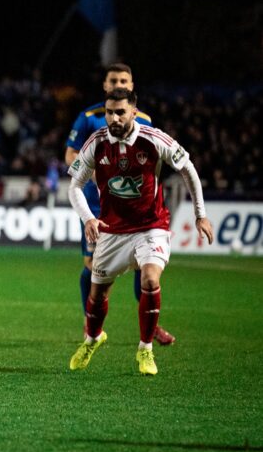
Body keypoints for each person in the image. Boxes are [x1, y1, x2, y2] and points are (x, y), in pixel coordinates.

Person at [67, 88, 214, 376]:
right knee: (97, 295)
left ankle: (145, 349)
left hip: (151, 226)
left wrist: (200, 215)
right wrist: (88, 219)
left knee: (149, 278)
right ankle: (93, 339)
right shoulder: (96, 142)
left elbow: (188, 169)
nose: (114, 117)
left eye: (120, 112)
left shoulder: (153, 138)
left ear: (134, 112)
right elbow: (74, 186)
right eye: (109, 112)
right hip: (112, 230)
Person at [64, 62, 176, 346]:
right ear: (104, 85)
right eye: (114, 80)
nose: (120, 84)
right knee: (93, 266)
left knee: (145, 267)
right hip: (97, 205)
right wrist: (91, 174)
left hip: (137, 209)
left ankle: (151, 326)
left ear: (132, 85)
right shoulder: (89, 117)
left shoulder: (145, 120)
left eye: (125, 81)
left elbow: (155, 158)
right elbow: (71, 156)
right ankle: (89, 325)